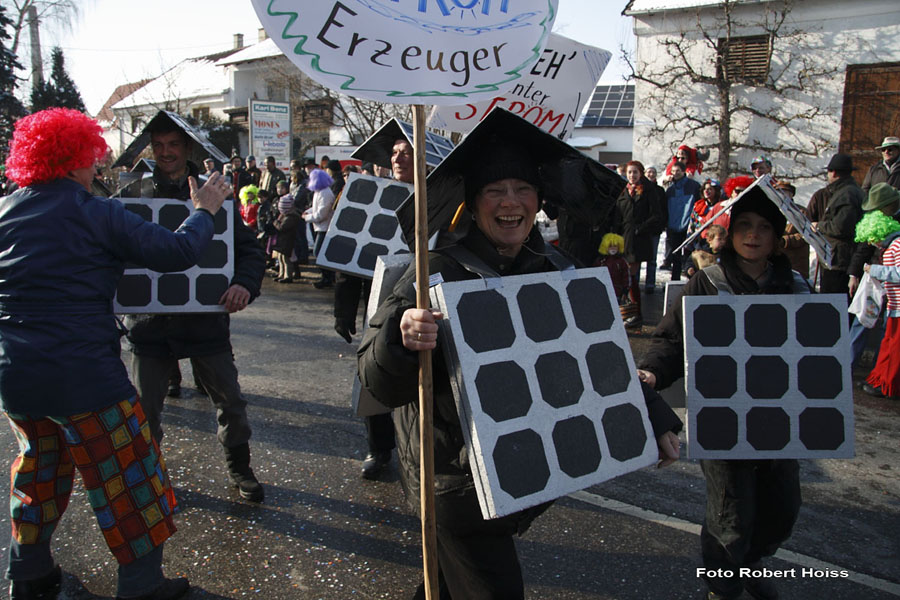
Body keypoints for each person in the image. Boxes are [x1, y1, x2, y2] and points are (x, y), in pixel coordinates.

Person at [359, 114, 681, 599]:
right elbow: (377, 382)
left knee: (446, 585)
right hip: (454, 483)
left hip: (522, 472)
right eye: (494, 191)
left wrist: (652, 414)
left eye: (522, 189)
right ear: (471, 203)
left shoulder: (555, 270)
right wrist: (401, 338)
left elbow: (598, 361)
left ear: (539, 200)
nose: (510, 202)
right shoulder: (436, 271)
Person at [0, 108, 229, 600]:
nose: (97, 166)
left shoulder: (5, 210)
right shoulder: (93, 211)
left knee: (37, 470)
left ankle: (29, 574)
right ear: (75, 156)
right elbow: (175, 253)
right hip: (84, 376)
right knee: (130, 477)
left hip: (15, 375)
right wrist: (205, 210)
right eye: (92, 157)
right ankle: (143, 585)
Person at [638, 189, 809, 600]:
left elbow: (816, 347)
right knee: (729, 514)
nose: (753, 235)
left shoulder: (796, 286)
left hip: (777, 417)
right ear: (730, 234)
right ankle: (723, 587)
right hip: (722, 415)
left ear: (777, 239)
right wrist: (651, 372)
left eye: (764, 228)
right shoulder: (707, 283)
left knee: (782, 509)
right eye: (745, 226)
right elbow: (672, 337)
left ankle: (749, 564)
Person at [123, 114, 266, 503]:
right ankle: (148, 481)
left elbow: (250, 251)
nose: (166, 152)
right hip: (149, 327)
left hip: (205, 323)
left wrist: (243, 284)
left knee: (232, 404)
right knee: (144, 414)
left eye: (173, 145)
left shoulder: (215, 192)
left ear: (187, 148)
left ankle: (240, 468)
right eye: (159, 145)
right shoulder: (132, 195)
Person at [339, 136, 414, 479]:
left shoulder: (442, 199)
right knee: (374, 371)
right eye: (395, 152)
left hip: (420, 303)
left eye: (407, 152)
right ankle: (379, 447)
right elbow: (352, 252)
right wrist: (343, 308)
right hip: (378, 303)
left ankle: (419, 453)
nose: (399, 158)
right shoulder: (372, 195)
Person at [613, 160, 666, 328]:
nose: (632, 175)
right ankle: (630, 313)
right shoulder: (623, 192)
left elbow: (656, 215)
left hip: (639, 239)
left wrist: (641, 228)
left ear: (641, 173)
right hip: (624, 238)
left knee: (630, 276)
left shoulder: (649, 191)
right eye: (629, 172)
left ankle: (636, 314)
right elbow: (618, 216)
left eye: (635, 172)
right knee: (626, 276)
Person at [856, 209, 900, 399]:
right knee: (887, 344)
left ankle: (887, 385)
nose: (871, 243)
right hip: (894, 305)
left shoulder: (897, 246)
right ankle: (878, 379)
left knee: (894, 348)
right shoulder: (891, 247)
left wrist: (876, 270)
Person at [812, 154, 864, 295]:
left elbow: (841, 227)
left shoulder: (846, 194)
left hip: (839, 260)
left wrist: (819, 226)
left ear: (834, 172)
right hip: (838, 257)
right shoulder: (847, 191)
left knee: (833, 304)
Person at [663, 160, 702, 281]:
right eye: (673, 171)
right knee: (675, 256)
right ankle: (675, 280)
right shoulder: (670, 189)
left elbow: (699, 204)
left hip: (688, 226)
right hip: (673, 226)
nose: (675, 173)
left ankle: (691, 281)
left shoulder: (694, 186)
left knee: (688, 256)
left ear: (684, 171)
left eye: (678, 171)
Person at [303, 168, 336, 288]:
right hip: (320, 226)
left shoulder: (325, 193)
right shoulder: (320, 192)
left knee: (319, 252)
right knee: (320, 252)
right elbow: (317, 209)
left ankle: (327, 277)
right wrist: (308, 212)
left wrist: (307, 217)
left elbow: (321, 214)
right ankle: (327, 277)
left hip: (324, 227)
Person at [273, 181, 300, 284]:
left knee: (286, 259)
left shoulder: (291, 218)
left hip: (287, 241)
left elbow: (281, 228)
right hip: (283, 241)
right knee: (280, 258)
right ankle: (281, 274)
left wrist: (276, 223)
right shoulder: (286, 216)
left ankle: (288, 275)